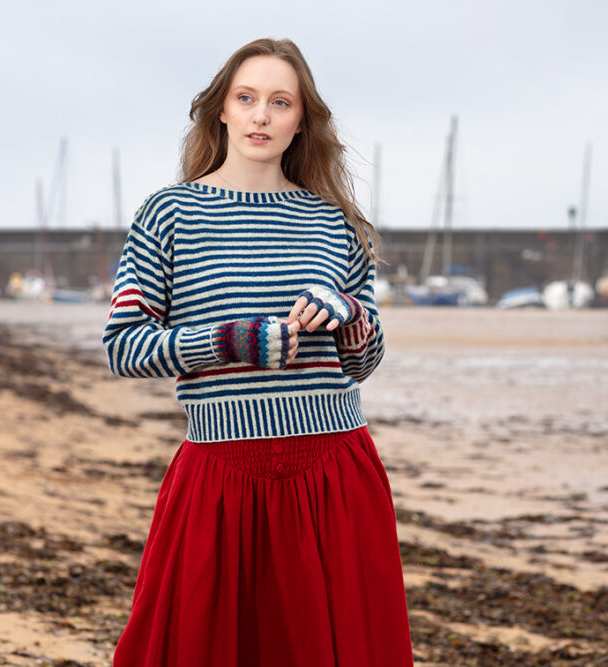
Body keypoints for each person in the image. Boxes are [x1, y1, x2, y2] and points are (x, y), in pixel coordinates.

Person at [102, 38, 414, 666]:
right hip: (220, 472)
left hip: (335, 469)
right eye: (246, 99)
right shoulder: (168, 214)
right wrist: (228, 342)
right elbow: (124, 347)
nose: (261, 116)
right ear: (220, 109)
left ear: (302, 118)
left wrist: (347, 313)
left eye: (280, 102)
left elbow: (361, 361)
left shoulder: (333, 222)